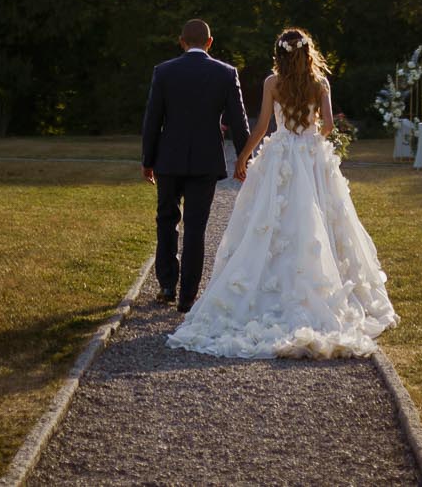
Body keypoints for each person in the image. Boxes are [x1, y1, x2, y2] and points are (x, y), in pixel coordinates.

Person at [169, 27, 397, 358]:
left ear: (280, 54)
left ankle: (268, 284)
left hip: (280, 155)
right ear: (307, 52)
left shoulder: (271, 83)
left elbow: (262, 126)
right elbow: (330, 125)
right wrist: (313, 131)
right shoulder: (320, 84)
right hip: (311, 155)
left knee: (270, 220)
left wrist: (244, 157)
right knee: (318, 219)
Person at [142, 19, 251, 311]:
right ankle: (188, 296)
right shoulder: (226, 74)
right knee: (195, 227)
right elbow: (239, 122)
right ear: (210, 42)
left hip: (168, 158)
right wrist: (244, 159)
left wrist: (147, 161)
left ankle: (166, 284)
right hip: (205, 160)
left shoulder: (163, 72)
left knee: (166, 220)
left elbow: (153, 120)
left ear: (181, 41)